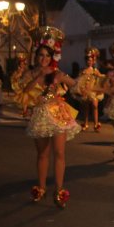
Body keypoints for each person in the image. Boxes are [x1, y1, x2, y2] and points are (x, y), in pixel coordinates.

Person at [20, 27, 81, 209]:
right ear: (36, 57)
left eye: (47, 55)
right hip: (40, 115)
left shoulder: (56, 73)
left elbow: (75, 84)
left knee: (60, 153)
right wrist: (38, 77)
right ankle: (41, 188)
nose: (44, 59)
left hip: (58, 114)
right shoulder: (31, 74)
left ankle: (59, 190)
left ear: (52, 56)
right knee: (42, 154)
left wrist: (65, 79)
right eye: (40, 55)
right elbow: (24, 92)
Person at [73, 47, 105, 132]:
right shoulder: (83, 70)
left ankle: (96, 124)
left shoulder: (95, 70)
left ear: (93, 61)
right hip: (85, 91)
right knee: (86, 107)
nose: (89, 62)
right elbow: (79, 80)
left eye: (91, 60)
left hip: (93, 91)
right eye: (88, 60)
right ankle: (86, 123)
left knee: (95, 106)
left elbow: (100, 79)